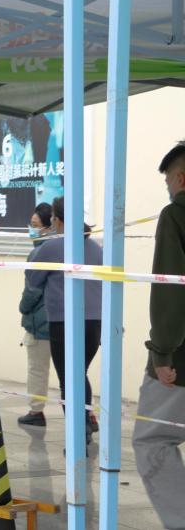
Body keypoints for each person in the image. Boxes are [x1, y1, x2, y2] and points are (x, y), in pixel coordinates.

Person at [132, 141, 185, 528]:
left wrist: (162, 353)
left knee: (152, 440)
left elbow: (171, 289)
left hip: (181, 361)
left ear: (181, 179)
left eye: (168, 181)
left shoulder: (176, 216)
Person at [25, 196, 103, 445]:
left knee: (68, 379)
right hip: (94, 323)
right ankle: (85, 422)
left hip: (63, 322)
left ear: (57, 220)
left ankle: (78, 433)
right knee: (79, 373)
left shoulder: (51, 248)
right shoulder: (96, 248)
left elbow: (33, 280)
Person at [17, 202, 54, 427]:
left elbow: (33, 289)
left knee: (37, 369)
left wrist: (23, 308)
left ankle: (36, 411)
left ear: (49, 227)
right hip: (62, 321)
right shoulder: (69, 249)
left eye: (35, 225)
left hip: (40, 323)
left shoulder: (39, 253)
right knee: (72, 372)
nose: (31, 229)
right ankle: (87, 415)